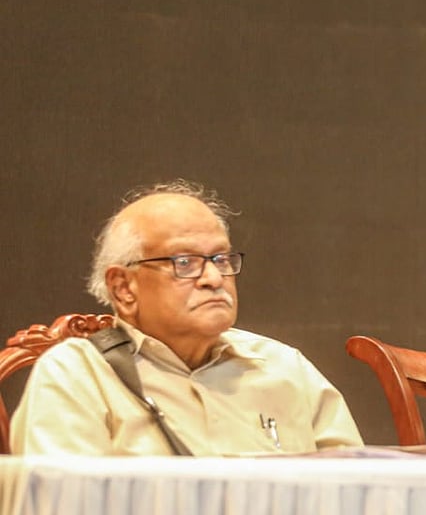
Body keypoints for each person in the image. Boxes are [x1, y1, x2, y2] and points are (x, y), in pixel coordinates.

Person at [11, 181, 364, 455]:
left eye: (220, 259)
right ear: (123, 288)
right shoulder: (76, 378)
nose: (213, 279)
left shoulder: (285, 369)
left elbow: (358, 495)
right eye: (184, 263)